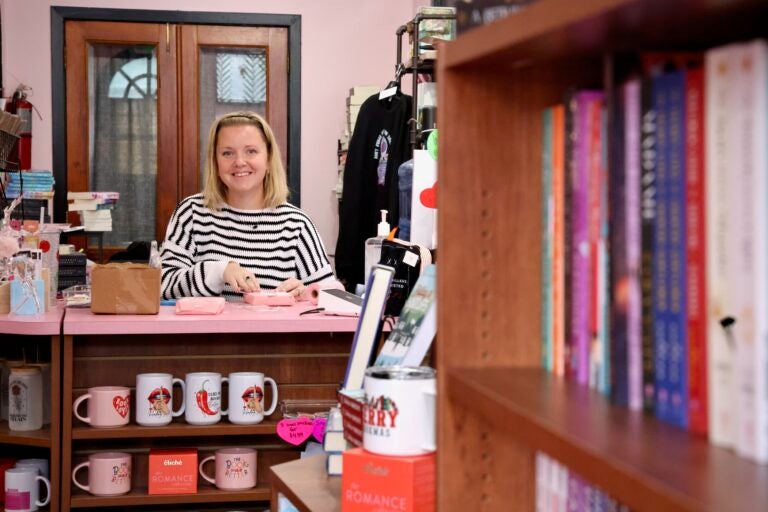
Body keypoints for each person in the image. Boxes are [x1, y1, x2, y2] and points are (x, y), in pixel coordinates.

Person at [161, 111, 337, 301]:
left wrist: (306, 294)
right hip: (203, 332)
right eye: (227, 153)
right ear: (215, 162)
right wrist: (220, 270)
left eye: (251, 151)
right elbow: (163, 285)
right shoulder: (191, 213)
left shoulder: (296, 224)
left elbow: (333, 297)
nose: (239, 162)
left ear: (268, 159)